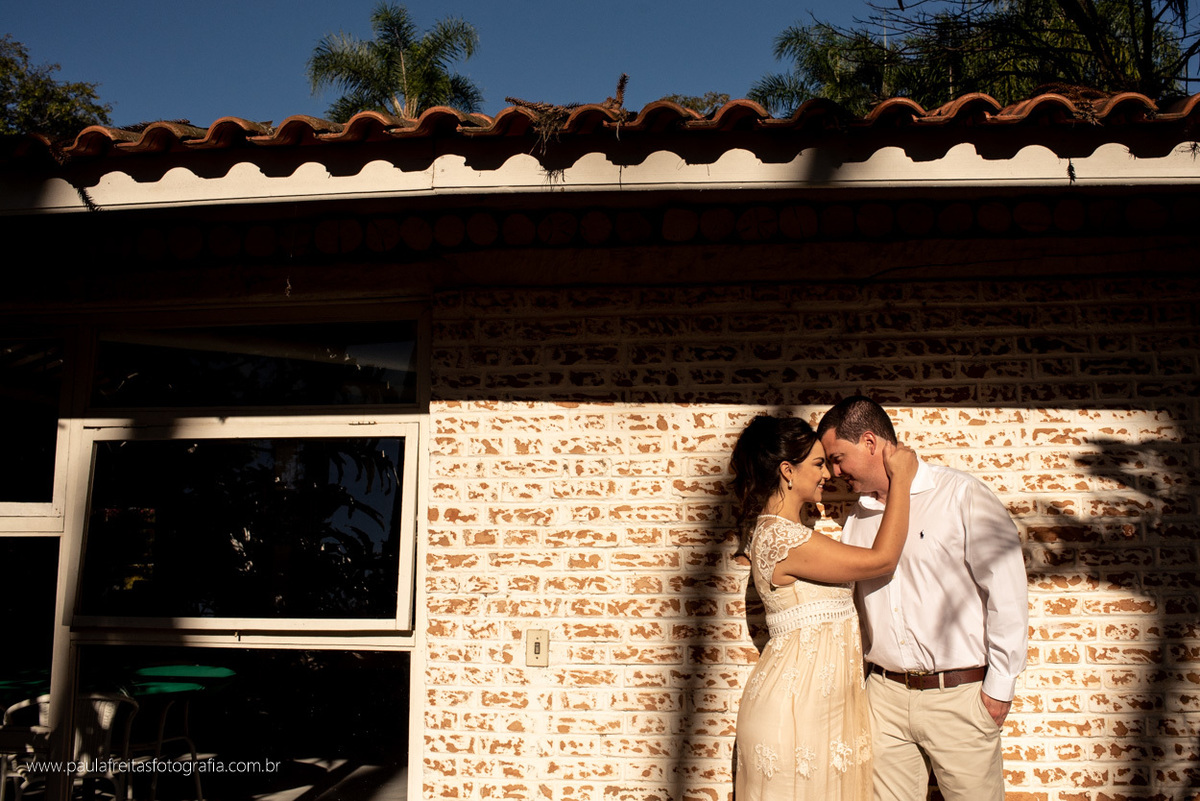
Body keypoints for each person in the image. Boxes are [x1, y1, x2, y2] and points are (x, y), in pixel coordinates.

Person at [816, 396, 1028, 801]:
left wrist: (999, 687)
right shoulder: (857, 520)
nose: (835, 472)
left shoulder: (960, 494)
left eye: (838, 458)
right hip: (884, 697)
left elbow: (1006, 590)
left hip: (959, 696)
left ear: (870, 442)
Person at [730, 414, 918, 800]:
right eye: (818, 464)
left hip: (819, 711)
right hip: (794, 714)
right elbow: (882, 559)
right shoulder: (782, 539)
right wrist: (901, 479)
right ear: (787, 471)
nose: (827, 475)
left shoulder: (787, 534)